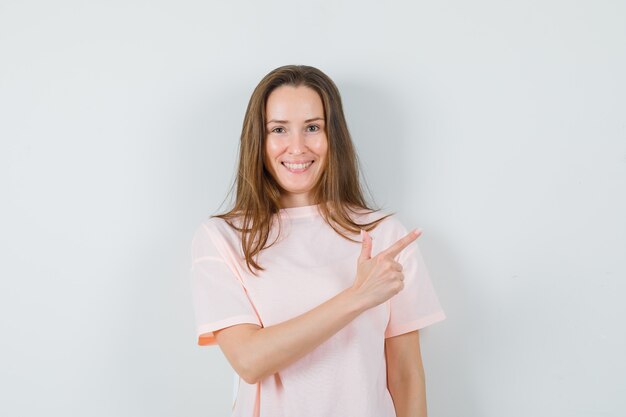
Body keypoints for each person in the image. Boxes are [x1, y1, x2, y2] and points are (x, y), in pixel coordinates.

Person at [189, 65, 446, 417]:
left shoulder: (385, 235)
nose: (297, 147)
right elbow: (250, 361)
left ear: (333, 137)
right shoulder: (224, 238)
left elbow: (405, 375)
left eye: (312, 127)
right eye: (278, 129)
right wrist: (357, 297)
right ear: (258, 140)